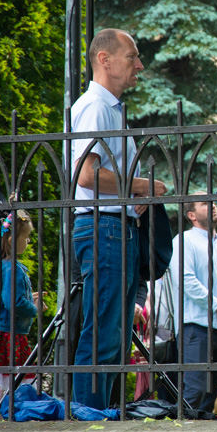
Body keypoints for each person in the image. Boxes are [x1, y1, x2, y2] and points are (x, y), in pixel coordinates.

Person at [71, 28, 167, 409]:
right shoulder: (95, 106)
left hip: (115, 228)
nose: (139, 65)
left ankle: (100, 417)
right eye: (132, 56)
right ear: (104, 60)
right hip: (104, 229)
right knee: (105, 335)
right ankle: (87, 420)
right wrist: (140, 186)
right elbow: (86, 175)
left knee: (115, 335)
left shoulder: (109, 109)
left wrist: (133, 199)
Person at [167, 192, 217, 413]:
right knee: (194, 391)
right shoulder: (184, 241)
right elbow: (186, 281)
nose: (213, 206)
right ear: (191, 214)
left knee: (211, 395)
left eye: (213, 203)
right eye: (206, 204)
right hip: (195, 326)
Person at [0, 211, 42, 422]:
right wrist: (34, 307)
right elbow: (13, 302)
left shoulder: (2, 267)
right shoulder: (12, 269)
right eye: (25, 237)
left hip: (7, 334)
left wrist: (27, 298)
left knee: (6, 387)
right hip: (11, 336)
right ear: (11, 240)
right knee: (9, 387)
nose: (27, 241)